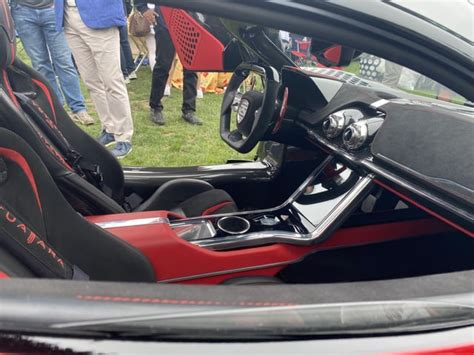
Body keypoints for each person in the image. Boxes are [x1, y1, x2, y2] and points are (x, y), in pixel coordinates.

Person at [54, 0, 134, 159]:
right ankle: (109, 128)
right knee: (91, 81)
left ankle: (124, 137)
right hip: (68, 16)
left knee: (112, 81)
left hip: (100, 15)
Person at [10, 0, 94, 126]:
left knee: (64, 62)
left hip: (53, 10)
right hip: (22, 11)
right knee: (40, 64)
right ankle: (57, 108)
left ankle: (78, 108)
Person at [135, 0, 202, 126]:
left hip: (190, 21)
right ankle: (155, 107)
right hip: (165, 21)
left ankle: (189, 110)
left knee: (190, 66)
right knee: (163, 65)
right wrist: (144, 9)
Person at [120, 0, 137, 83]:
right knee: (124, 42)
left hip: (117, 12)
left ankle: (124, 74)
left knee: (119, 43)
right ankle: (131, 70)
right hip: (122, 12)